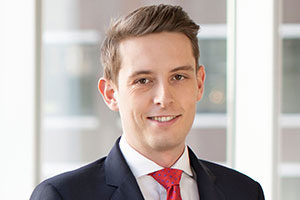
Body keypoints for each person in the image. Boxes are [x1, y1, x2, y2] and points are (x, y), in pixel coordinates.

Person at [30, 4, 265, 200]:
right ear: (111, 93)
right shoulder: (63, 196)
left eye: (179, 77)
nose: (164, 98)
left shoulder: (245, 192)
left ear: (199, 84)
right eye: (143, 80)